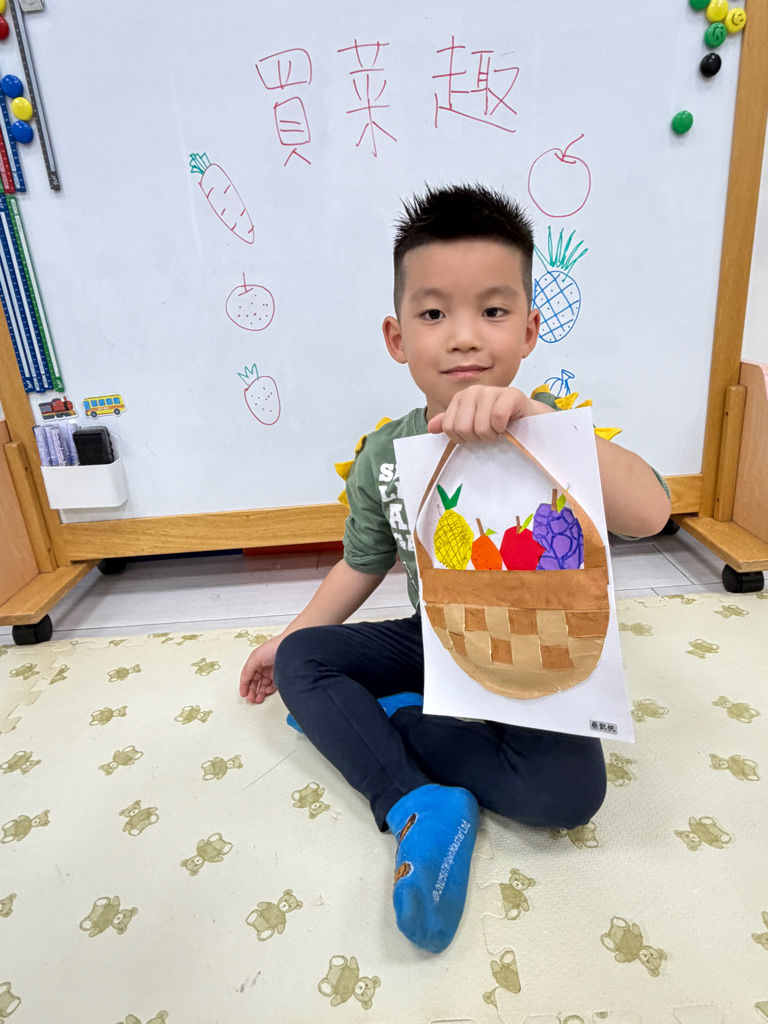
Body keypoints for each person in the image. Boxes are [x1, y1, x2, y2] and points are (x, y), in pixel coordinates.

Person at [239, 184, 671, 955]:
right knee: (305, 658)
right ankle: (416, 801)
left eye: (493, 311)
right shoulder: (384, 455)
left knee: (569, 798)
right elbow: (360, 564)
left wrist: (536, 419)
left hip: (529, 651)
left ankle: (393, 721)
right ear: (397, 336)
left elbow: (652, 513)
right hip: (433, 635)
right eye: (434, 314)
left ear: (530, 328)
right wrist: (287, 640)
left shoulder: (554, 430)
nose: (465, 337)